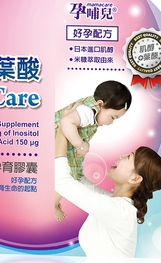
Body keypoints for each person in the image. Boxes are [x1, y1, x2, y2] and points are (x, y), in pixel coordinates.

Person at [54, 105, 161, 258]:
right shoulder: (114, 204)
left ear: (135, 178)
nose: (121, 155)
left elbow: (62, 182)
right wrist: (73, 133)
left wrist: (63, 126)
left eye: (129, 157)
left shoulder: (120, 212)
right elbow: (78, 178)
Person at [54, 80, 132, 221]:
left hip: (59, 140)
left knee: (72, 174)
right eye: (112, 117)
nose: (111, 123)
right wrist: (80, 145)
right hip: (56, 140)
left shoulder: (90, 108)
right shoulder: (89, 111)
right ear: (100, 104)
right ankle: (53, 204)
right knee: (68, 176)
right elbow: (65, 122)